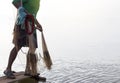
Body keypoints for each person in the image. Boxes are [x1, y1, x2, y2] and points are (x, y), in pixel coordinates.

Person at [4, 0, 46, 80]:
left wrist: (38, 23)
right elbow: (15, 2)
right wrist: (24, 12)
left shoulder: (38, 1)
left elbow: (32, 15)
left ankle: (28, 70)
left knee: (32, 48)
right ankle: (8, 69)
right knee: (18, 46)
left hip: (31, 24)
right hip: (22, 24)